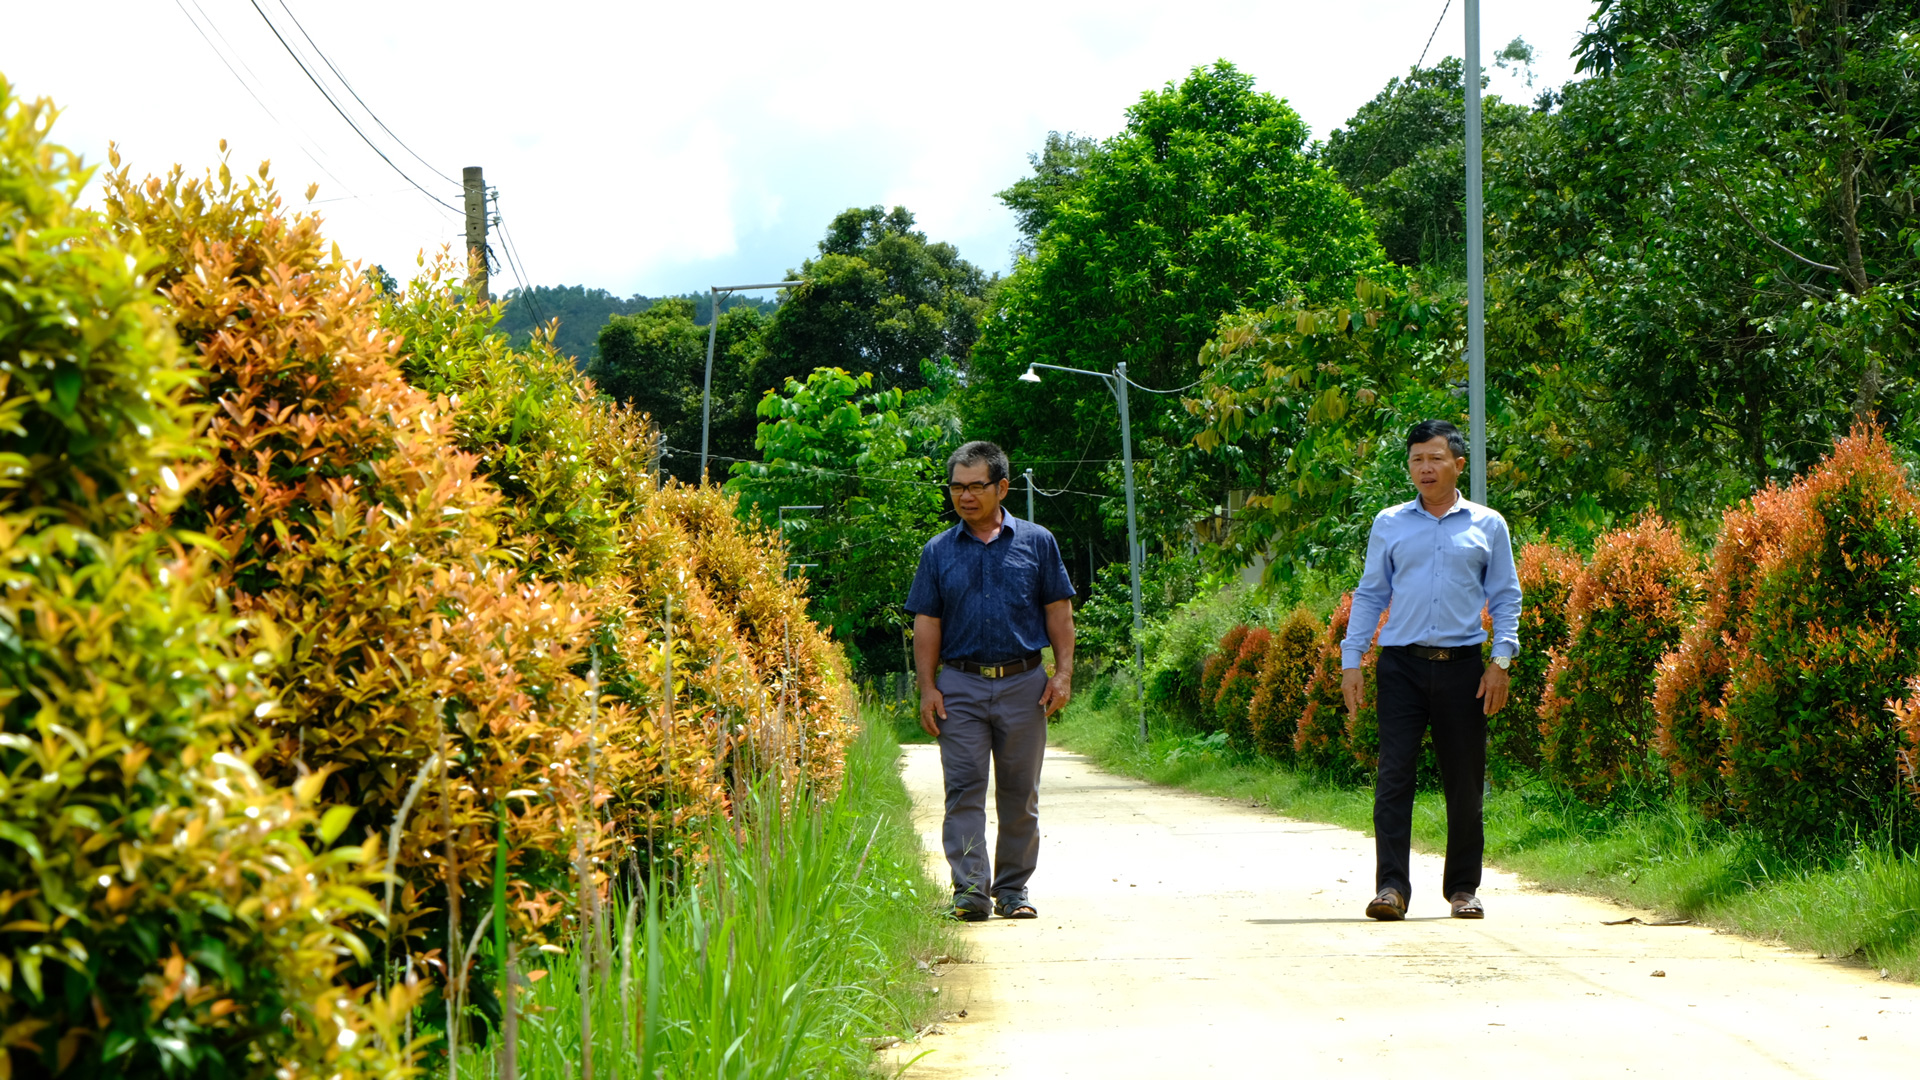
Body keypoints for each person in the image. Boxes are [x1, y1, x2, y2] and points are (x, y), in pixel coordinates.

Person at [1343, 419, 1521, 922]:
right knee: (1393, 776)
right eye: (1417, 459)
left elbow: (1506, 597)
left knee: (1464, 783)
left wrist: (1500, 662)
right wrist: (1351, 661)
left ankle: (1463, 889)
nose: (1425, 468)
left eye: (1435, 458)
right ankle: (1391, 889)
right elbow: (1372, 593)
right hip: (1401, 667)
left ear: (1458, 464)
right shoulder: (1390, 523)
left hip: (1465, 669)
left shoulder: (1488, 525)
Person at [907, 440, 1076, 922]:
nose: (965, 496)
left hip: (1025, 683)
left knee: (1020, 794)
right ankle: (970, 892)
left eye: (976, 486)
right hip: (959, 685)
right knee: (963, 790)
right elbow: (927, 624)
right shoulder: (937, 551)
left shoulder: (1038, 542)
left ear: (1002, 487)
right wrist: (927, 687)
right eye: (957, 487)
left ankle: (1013, 890)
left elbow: (1059, 612)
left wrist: (1062, 675)